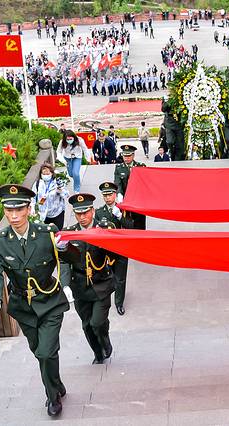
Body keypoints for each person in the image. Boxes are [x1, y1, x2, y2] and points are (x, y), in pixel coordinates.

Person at [0, 184, 78, 417]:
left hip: (50, 301)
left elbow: (73, 259)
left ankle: (52, 398)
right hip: (23, 307)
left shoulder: (47, 233)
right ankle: (56, 383)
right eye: (9, 210)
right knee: (39, 351)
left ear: (28, 209)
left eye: (19, 210)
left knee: (46, 352)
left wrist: (64, 248)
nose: (14, 216)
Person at [60, 193, 116, 364]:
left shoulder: (104, 228)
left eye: (85, 212)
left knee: (97, 322)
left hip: (101, 283)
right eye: (78, 213)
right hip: (80, 285)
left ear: (92, 211)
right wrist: (65, 284)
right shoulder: (70, 233)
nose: (82, 217)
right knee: (87, 325)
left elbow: (116, 254)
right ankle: (98, 353)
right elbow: (64, 261)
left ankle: (105, 342)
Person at [94, 182, 128, 316]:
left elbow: (131, 227)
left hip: (120, 249)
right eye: (105, 195)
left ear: (115, 194)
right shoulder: (99, 212)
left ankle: (119, 303)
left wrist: (120, 216)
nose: (107, 198)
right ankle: (104, 299)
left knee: (120, 278)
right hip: (106, 251)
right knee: (107, 277)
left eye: (110, 195)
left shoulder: (123, 209)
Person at [114, 144, 147, 229]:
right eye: (125, 156)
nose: (126, 158)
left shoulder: (141, 166)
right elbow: (117, 183)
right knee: (127, 224)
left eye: (128, 156)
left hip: (139, 201)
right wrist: (119, 194)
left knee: (140, 224)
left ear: (133, 155)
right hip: (126, 201)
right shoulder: (119, 168)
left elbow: (145, 183)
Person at [30, 162, 68, 230]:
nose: (45, 176)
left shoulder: (57, 182)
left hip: (57, 213)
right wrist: (32, 207)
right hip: (43, 214)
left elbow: (66, 195)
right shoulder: (37, 184)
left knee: (57, 231)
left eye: (47, 174)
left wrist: (60, 190)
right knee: (46, 233)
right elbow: (33, 196)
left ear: (52, 173)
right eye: (43, 174)